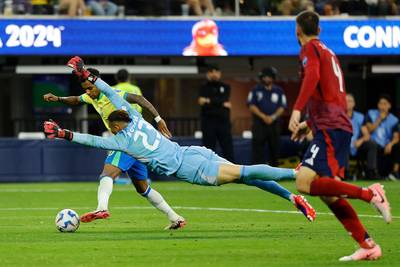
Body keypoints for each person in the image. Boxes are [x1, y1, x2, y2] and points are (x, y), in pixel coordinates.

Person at [45, 56, 318, 224]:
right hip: (192, 152)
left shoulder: (122, 143)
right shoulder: (135, 118)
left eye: (111, 127)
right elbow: (108, 92)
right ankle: (293, 197)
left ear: (115, 125)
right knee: (246, 177)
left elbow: (91, 140)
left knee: (245, 172)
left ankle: (294, 173)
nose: (110, 130)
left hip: (192, 169)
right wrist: (84, 73)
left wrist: (60, 133)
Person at [288, 11, 391, 261]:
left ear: (297, 31)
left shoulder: (310, 49)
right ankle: (367, 245)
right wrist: (309, 123)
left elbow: (312, 78)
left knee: (303, 182)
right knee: (329, 192)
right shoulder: (329, 52)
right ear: (320, 30)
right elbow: (331, 95)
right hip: (334, 125)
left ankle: (371, 194)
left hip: (331, 127)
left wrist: (297, 109)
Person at [43, 68, 184, 230]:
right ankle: (175, 218)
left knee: (107, 173)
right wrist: (58, 98)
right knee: (142, 188)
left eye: (90, 87)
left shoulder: (113, 94)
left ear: (98, 83)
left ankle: (102, 207)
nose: (88, 92)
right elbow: (76, 99)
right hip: (136, 145)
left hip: (127, 140)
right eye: (85, 89)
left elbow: (138, 98)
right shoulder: (91, 97)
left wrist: (158, 119)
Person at [248, 67, 287, 166]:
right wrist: (263, 117)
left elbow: (282, 107)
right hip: (259, 124)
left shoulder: (279, 91)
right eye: (264, 77)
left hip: (274, 125)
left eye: (269, 77)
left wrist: (272, 117)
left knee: (275, 149)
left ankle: (274, 172)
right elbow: (251, 105)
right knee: (257, 149)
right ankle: (257, 172)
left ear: (273, 78)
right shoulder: (255, 90)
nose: (266, 79)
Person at [198, 64, 234, 162]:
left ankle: (232, 172)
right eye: (211, 72)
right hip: (208, 123)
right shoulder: (203, 87)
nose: (214, 74)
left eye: (216, 72)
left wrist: (208, 101)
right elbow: (201, 102)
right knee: (208, 150)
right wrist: (221, 103)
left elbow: (224, 98)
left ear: (220, 73)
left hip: (223, 123)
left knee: (228, 149)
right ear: (208, 74)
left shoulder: (226, 87)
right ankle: (208, 173)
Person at [365, 94, 400, 179]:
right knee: (372, 145)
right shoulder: (371, 113)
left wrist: (390, 144)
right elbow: (369, 130)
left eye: (385, 104)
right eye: (380, 103)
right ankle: (372, 173)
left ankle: (395, 172)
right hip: (373, 144)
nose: (382, 106)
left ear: (389, 105)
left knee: (398, 146)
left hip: (386, 145)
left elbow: (396, 136)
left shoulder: (394, 119)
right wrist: (379, 119)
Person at [346, 93, 378, 179]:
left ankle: (371, 172)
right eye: (346, 101)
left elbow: (367, 135)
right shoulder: (338, 116)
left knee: (372, 144)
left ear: (354, 103)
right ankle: (345, 173)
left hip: (357, 145)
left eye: (350, 101)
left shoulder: (360, 117)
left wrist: (360, 140)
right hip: (344, 145)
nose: (348, 103)